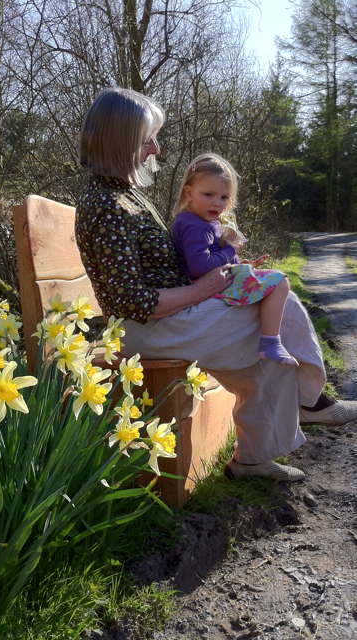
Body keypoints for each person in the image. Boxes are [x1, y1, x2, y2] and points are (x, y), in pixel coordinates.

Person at [75, 87, 357, 482]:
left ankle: (265, 448)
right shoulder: (107, 206)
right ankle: (310, 404)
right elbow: (131, 301)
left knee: (269, 320)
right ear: (121, 141)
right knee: (275, 313)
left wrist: (224, 269)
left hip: (170, 316)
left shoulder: (124, 196)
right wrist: (206, 289)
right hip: (148, 328)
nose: (155, 149)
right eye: (147, 139)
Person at [171, 153, 297, 367]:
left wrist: (241, 264)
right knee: (279, 281)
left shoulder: (201, 221)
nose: (216, 203)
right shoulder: (195, 226)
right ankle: (270, 342)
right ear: (189, 193)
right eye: (208, 194)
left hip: (210, 283)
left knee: (273, 284)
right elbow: (200, 266)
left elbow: (211, 258)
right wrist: (230, 250)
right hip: (203, 289)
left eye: (224, 197)